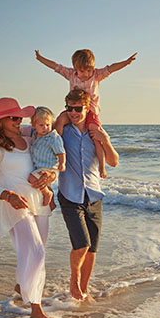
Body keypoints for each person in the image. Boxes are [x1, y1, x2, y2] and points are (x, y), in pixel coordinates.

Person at [0, 97, 57, 318]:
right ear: (0, 121)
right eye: (13, 117)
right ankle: (36, 308)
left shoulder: (30, 136)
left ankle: (22, 285)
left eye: (19, 116)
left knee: (35, 253)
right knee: (36, 252)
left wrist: (50, 181)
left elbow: (45, 162)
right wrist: (7, 196)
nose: (18, 120)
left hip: (39, 201)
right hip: (15, 204)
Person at [56, 88, 119, 303]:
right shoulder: (62, 131)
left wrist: (105, 140)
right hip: (69, 195)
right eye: (69, 108)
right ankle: (74, 280)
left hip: (93, 195)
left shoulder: (97, 131)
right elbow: (39, 131)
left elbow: (114, 161)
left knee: (92, 249)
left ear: (87, 108)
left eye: (77, 108)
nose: (73, 112)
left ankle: (84, 290)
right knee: (81, 244)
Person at [35, 48, 136, 179]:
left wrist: (127, 62)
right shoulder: (71, 75)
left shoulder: (96, 75)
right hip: (69, 192)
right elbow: (55, 66)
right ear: (75, 68)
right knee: (60, 119)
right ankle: (56, 148)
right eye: (82, 71)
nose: (87, 74)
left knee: (95, 135)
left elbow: (111, 68)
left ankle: (101, 166)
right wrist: (40, 58)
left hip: (92, 112)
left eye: (89, 70)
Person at [27, 107, 66, 209]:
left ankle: (47, 194)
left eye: (48, 125)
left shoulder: (53, 137)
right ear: (34, 126)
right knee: (44, 184)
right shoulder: (34, 135)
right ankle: (51, 203)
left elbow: (61, 152)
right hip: (39, 166)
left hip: (48, 167)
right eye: (41, 125)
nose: (45, 128)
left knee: (31, 178)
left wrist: (62, 164)